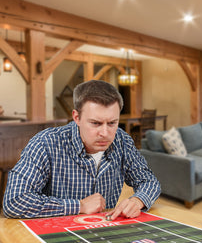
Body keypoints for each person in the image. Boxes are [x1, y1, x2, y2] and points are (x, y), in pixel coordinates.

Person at [3, 80, 161, 219]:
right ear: (76, 117)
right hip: (55, 235)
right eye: (95, 123)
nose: (105, 133)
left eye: (112, 123)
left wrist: (137, 200)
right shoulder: (46, 142)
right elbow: (14, 201)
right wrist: (79, 206)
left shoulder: (122, 141)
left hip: (103, 231)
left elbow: (149, 181)